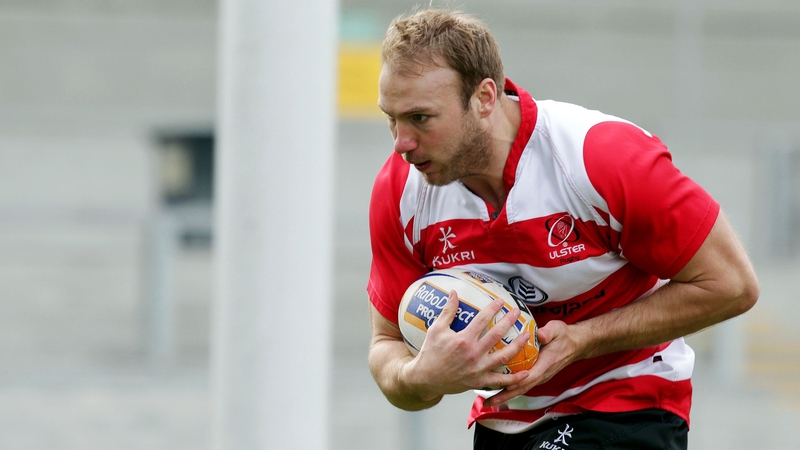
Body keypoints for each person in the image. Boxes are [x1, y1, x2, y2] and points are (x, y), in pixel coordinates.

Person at [366, 8, 759, 450]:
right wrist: (420, 375)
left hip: (627, 398)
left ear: (484, 98)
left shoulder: (599, 157)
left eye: (420, 118)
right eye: (391, 118)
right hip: (505, 417)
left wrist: (583, 339)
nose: (401, 142)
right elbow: (386, 345)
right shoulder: (400, 193)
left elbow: (732, 284)